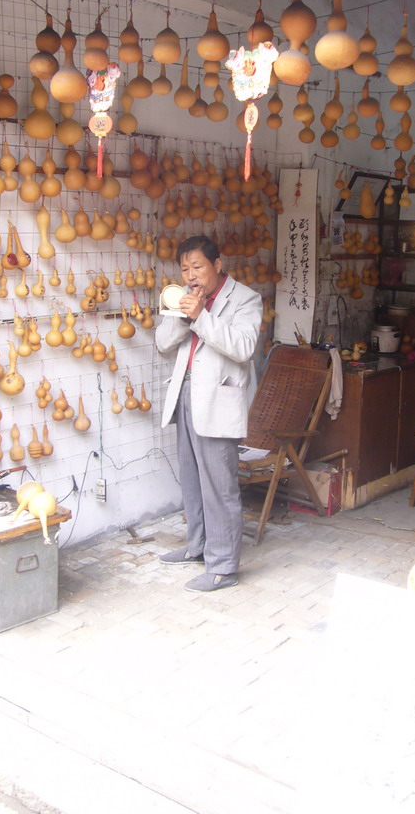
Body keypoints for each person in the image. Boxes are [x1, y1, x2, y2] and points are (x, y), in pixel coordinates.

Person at [155, 234, 263, 592]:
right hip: (184, 394)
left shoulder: (245, 299)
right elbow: (163, 344)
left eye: (198, 266)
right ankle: (197, 546)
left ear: (217, 266)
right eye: (185, 269)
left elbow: (243, 347)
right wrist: (183, 315)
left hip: (218, 401)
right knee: (191, 478)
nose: (191, 275)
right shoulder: (185, 299)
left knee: (219, 486)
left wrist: (201, 316)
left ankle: (224, 567)